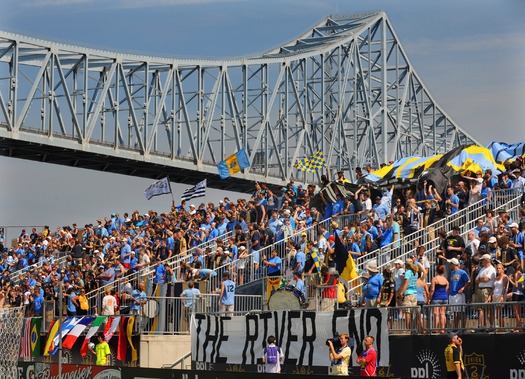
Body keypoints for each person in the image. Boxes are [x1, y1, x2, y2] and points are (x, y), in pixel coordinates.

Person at [429, 265, 449, 334]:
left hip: (436, 297)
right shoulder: (445, 279)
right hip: (444, 297)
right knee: (443, 313)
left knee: (436, 313)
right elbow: (447, 289)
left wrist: (429, 299)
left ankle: (436, 328)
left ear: (437, 271)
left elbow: (432, 290)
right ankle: (442, 329)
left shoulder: (434, 279)